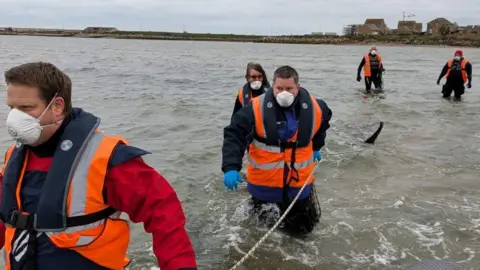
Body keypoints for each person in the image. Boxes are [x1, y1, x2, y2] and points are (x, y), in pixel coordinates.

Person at [0, 62, 197, 270]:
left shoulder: (107, 158)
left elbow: (162, 210)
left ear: (57, 107)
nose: (14, 118)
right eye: (12, 108)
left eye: (26, 108)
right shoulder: (14, 157)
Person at [221, 65, 332, 235]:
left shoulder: (317, 106)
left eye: (289, 88)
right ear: (272, 86)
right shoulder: (255, 107)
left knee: (301, 235)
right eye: (279, 88)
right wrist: (230, 166)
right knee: (261, 234)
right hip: (265, 185)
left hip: (299, 186)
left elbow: (323, 124)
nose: (284, 93)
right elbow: (234, 133)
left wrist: (317, 146)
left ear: (298, 87)